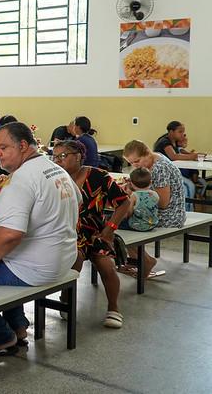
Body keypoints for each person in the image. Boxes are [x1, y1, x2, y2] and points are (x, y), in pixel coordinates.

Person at [0, 122, 79, 357]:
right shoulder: (55, 169)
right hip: (64, 258)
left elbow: (10, 235)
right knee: (10, 257)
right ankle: (18, 328)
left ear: (23, 146)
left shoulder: (21, 179)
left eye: (4, 147)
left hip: (37, 267)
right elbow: (77, 200)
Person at [53, 140, 130, 328]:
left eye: (62, 156)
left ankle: (113, 308)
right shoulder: (54, 179)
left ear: (78, 156)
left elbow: (124, 202)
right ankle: (66, 298)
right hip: (68, 235)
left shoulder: (98, 176)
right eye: (54, 157)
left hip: (96, 233)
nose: (57, 161)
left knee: (106, 265)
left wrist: (109, 229)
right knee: (74, 259)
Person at [120, 140, 186, 277]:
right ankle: (136, 260)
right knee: (119, 220)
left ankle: (144, 261)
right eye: (131, 163)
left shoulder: (159, 168)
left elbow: (162, 203)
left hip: (170, 216)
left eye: (137, 161)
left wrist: (133, 194)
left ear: (147, 154)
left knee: (118, 224)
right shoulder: (156, 159)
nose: (134, 166)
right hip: (164, 211)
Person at [153, 121, 205, 202]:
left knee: (202, 182)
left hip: (174, 169)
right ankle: (188, 208)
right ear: (171, 132)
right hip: (165, 173)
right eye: (180, 132)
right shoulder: (165, 141)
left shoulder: (174, 140)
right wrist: (193, 156)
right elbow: (173, 156)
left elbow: (179, 151)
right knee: (190, 185)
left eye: (183, 132)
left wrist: (191, 154)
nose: (182, 134)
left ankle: (193, 199)